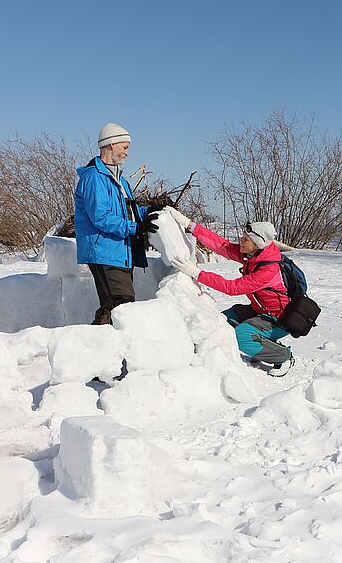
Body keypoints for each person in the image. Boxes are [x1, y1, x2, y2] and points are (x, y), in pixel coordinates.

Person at [164, 207, 294, 376]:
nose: (241, 239)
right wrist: (189, 224)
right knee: (220, 320)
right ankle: (264, 345)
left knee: (242, 335)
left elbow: (232, 288)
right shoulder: (254, 255)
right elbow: (221, 246)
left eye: (246, 238)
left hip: (279, 319)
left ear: (256, 243)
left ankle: (282, 356)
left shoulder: (268, 270)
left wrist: (197, 273)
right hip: (260, 311)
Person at [74, 123, 163, 325]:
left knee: (116, 306)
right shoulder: (94, 178)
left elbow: (127, 210)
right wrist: (135, 228)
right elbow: (101, 217)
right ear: (111, 144)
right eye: (125, 147)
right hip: (104, 251)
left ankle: (102, 349)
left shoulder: (119, 180)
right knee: (120, 304)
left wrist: (148, 211)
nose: (127, 153)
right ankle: (91, 348)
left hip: (120, 251)